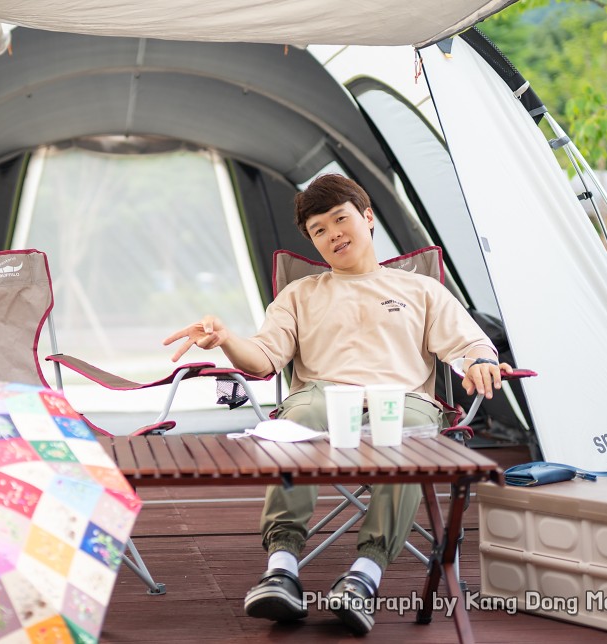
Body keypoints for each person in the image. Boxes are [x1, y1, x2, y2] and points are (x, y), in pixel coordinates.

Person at [163, 174, 511, 635]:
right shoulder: (300, 295)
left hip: (402, 399)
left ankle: (364, 578)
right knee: (298, 416)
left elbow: (470, 347)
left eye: (340, 219)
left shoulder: (421, 291)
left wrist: (482, 363)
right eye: (319, 230)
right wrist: (227, 340)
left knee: (404, 432)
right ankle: (282, 569)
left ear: (367, 218)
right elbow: (264, 361)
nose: (332, 234)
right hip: (323, 398)